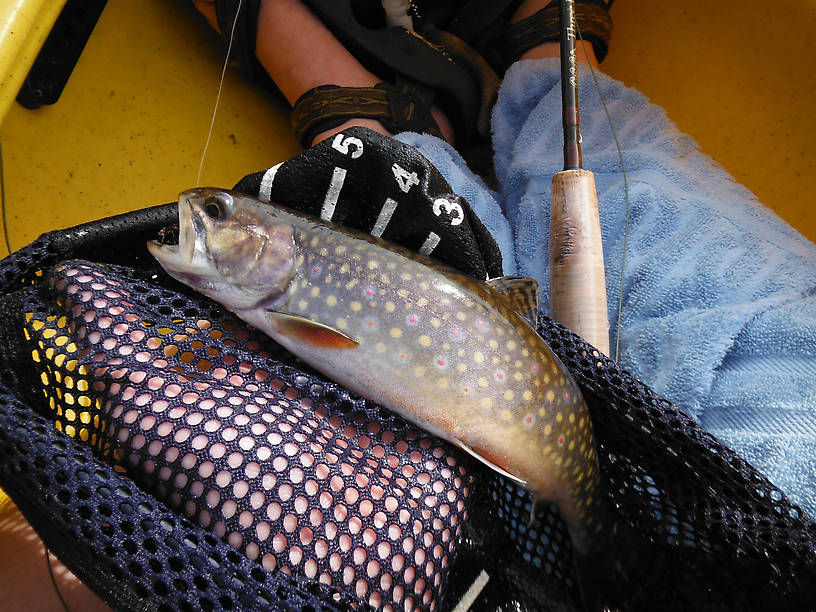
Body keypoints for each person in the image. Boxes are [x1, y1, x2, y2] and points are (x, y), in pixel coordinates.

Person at [2, 0, 814, 608]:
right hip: (780, 461)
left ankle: (377, 117)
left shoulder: (285, 297)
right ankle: (541, 68)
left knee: (453, 209)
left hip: (549, 428)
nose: (205, 221)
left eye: (222, 217)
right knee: (674, 237)